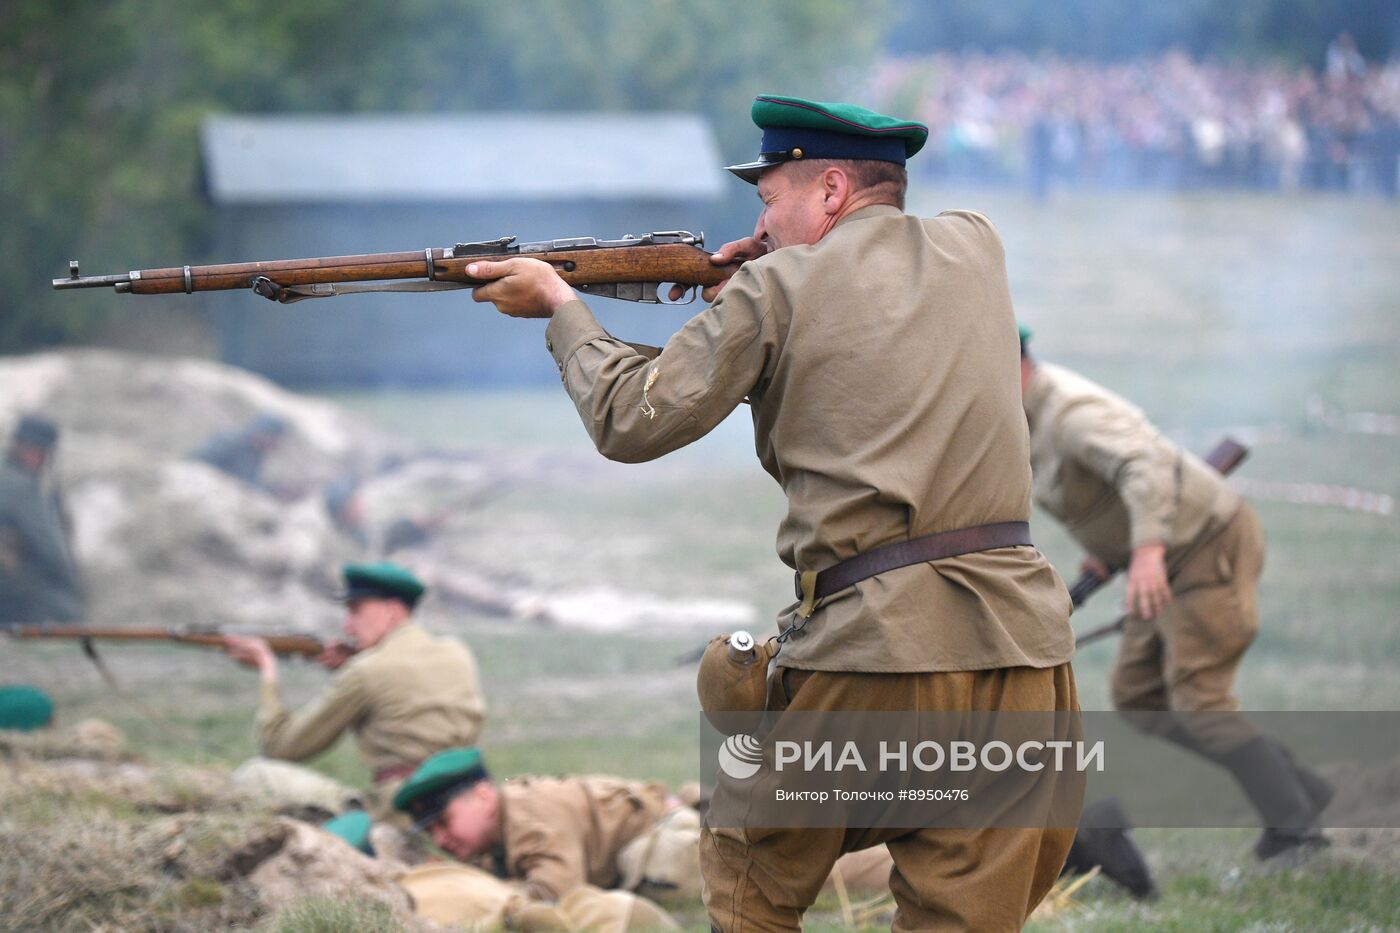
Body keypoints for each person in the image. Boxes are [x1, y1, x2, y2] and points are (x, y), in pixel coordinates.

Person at [464, 94, 1079, 931]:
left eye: (769, 200)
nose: (762, 220)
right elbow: (868, 299)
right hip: (1026, 649)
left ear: (829, 190)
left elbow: (631, 417)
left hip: (882, 649)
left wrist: (562, 308)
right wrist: (760, 265)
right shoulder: (977, 243)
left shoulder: (773, 287)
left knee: (750, 860)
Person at [1018, 325, 1332, 859]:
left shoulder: (1069, 413)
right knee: (1139, 697)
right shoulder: (1026, 414)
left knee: (1199, 700)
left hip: (1203, 546)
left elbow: (1145, 465)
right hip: (1165, 553)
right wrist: (1112, 544)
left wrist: (1144, 552)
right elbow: (1099, 490)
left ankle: (1296, 829)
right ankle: (1298, 785)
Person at [224, 561, 486, 818]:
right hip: (462, 802)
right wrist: (355, 661)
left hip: (396, 812)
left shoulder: (366, 671)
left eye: (356, 611)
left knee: (256, 774)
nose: (347, 625)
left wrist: (267, 668)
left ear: (391, 611)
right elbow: (407, 686)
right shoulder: (457, 652)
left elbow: (281, 747)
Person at [394, 747, 672, 902]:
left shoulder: (528, 817)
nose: (440, 840)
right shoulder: (497, 829)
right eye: (431, 832)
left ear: (482, 796)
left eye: (444, 821)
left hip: (666, 832)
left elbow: (555, 895)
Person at [0, 415, 84, 623]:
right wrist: (73, 584)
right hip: (18, 590)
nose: (36, 457)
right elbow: (49, 545)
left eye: (40, 452)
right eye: (32, 450)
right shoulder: (20, 485)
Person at [191, 413, 288, 494]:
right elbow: (197, 462)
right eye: (276, 439)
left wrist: (273, 490)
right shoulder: (229, 441)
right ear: (266, 434)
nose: (277, 444)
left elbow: (249, 482)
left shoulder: (256, 452)